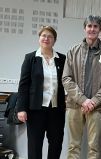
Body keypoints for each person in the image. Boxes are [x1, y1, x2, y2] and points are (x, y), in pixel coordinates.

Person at [62, 15, 101, 159]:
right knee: (73, 146)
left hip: (96, 107)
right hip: (74, 105)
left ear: (100, 29)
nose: (92, 29)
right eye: (89, 26)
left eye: (95, 26)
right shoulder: (73, 51)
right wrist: (83, 100)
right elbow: (66, 79)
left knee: (94, 147)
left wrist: (93, 101)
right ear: (85, 28)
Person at [16, 26, 66, 159]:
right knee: (34, 145)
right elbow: (23, 86)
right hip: (35, 110)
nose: (46, 38)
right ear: (39, 38)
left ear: (54, 40)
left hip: (56, 110)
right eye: (44, 35)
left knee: (56, 144)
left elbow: (67, 82)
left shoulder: (62, 59)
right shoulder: (30, 58)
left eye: (50, 36)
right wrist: (21, 108)